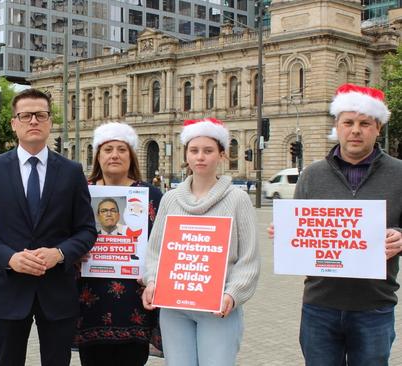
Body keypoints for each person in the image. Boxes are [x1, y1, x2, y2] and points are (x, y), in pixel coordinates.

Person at [269, 83, 402, 365]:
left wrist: (400, 238)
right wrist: (285, 233)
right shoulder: (312, 175)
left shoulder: (399, 174)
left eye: (365, 123)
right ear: (337, 126)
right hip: (320, 306)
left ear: (377, 127)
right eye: (348, 122)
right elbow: (299, 230)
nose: (356, 130)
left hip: (374, 307)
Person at [0, 88, 97, 366]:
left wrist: (60, 253)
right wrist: (9, 258)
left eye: (40, 115)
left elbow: (87, 230)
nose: (34, 121)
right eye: (26, 116)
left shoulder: (72, 171)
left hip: (58, 291)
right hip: (10, 290)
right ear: (14, 123)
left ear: (50, 121)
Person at [142, 118, 260, 365]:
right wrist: (152, 281)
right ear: (186, 154)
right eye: (194, 150)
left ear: (221, 155)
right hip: (174, 307)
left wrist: (233, 294)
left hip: (218, 306)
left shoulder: (238, 200)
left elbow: (249, 259)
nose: (200, 157)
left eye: (208, 151)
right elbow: (155, 251)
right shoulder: (171, 199)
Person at [75, 122, 162, 366]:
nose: (115, 155)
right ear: (97, 156)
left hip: (134, 298)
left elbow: (164, 240)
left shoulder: (151, 194)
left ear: (131, 156)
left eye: (122, 149)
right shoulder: (82, 191)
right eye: (108, 149)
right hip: (89, 296)